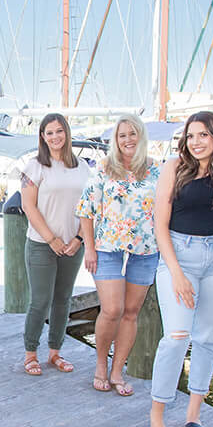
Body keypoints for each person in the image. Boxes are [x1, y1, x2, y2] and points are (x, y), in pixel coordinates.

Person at [148, 111, 213, 427]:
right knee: (176, 337)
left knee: (206, 339)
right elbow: (159, 224)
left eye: (203, 135)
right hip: (180, 255)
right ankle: (157, 417)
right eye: (190, 136)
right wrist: (176, 272)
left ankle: (194, 414)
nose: (196, 142)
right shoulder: (173, 168)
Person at [76, 114, 160, 393]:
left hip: (145, 250)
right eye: (122, 135)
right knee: (112, 309)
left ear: (141, 136)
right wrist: (89, 247)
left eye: (133, 134)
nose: (128, 140)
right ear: (115, 139)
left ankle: (117, 370)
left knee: (131, 312)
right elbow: (86, 210)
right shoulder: (104, 168)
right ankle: (101, 364)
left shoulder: (156, 171)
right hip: (107, 248)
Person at [19, 112, 91, 376]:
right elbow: (28, 206)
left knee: (63, 300)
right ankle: (30, 353)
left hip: (73, 245)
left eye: (59, 131)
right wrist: (52, 239)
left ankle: (55, 352)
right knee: (40, 300)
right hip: (41, 245)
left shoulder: (82, 167)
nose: (55, 136)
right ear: (42, 137)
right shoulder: (34, 167)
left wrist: (79, 238)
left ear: (67, 133)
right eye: (49, 132)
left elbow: (89, 207)